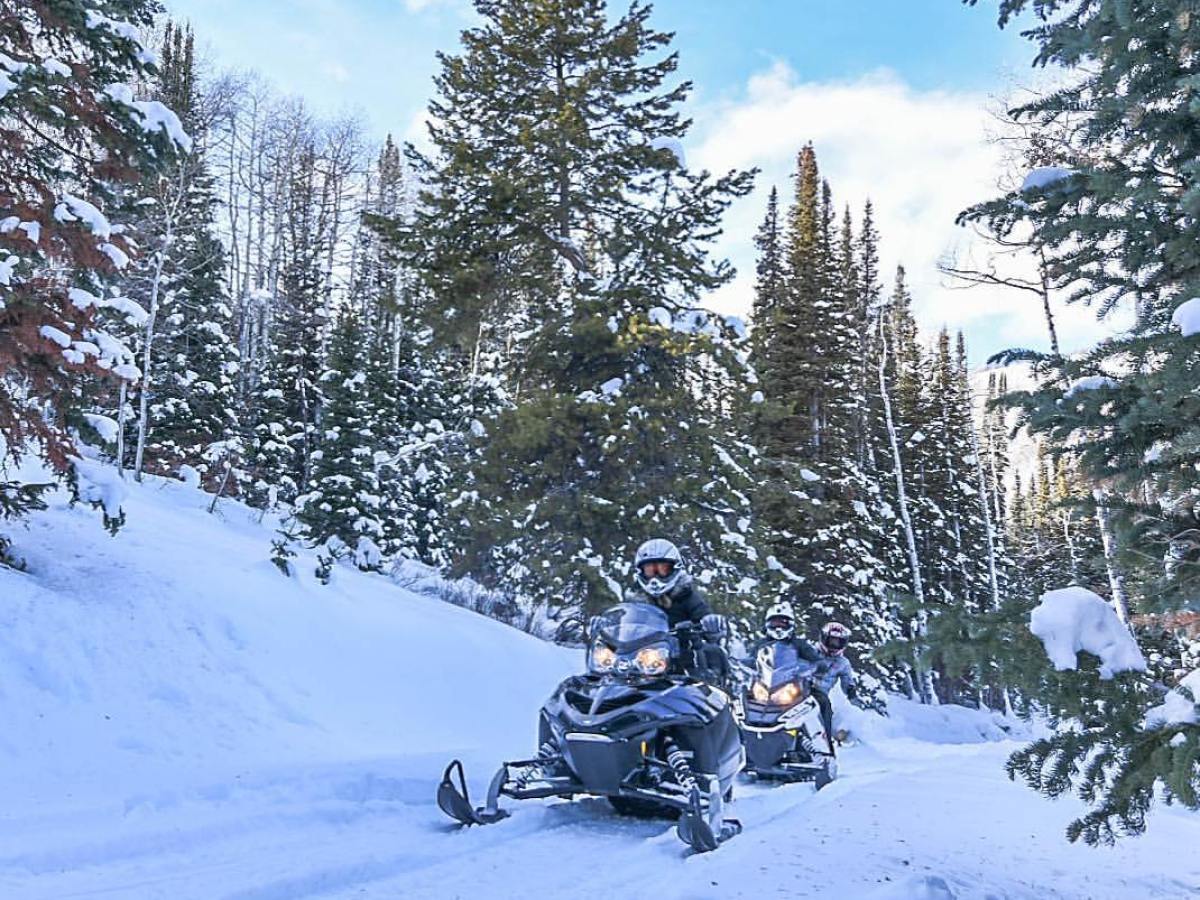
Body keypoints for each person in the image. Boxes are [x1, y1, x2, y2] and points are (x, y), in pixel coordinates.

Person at [627, 538, 728, 680]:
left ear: (675, 569)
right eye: (650, 570)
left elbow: (703, 617)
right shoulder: (636, 601)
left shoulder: (687, 596)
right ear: (641, 572)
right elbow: (626, 622)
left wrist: (710, 623)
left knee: (712, 652)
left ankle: (711, 690)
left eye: (662, 570)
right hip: (643, 659)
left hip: (684, 657)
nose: (655, 578)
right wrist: (606, 625)